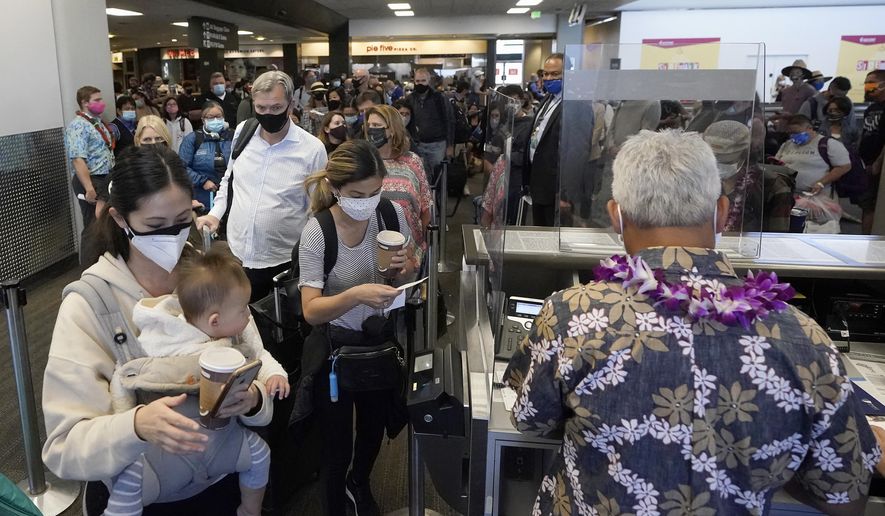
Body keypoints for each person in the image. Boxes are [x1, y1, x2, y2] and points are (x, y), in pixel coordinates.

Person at [504, 129, 880, 516]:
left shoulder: (574, 314)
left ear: (616, 216)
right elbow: (845, 496)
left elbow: (530, 420)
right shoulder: (803, 336)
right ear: (720, 212)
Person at [43, 146, 274, 515]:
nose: (171, 235)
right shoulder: (89, 305)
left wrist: (254, 399)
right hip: (143, 496)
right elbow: (64, 448)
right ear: (120, 219)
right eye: (154, 225)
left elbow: (256, 360)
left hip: (222, 478)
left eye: (183, 219)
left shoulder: (210, 278)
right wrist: (135, 426)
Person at [104, 243, 289, 516]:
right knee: (128, 479)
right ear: (215, 321)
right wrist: (127, 418)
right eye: (242, 311)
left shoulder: (235, 334)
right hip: (161, 452)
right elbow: (124, 374)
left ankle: (250, 510)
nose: (248, 315)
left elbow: (258, 355)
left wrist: (273, 376)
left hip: (219, 442)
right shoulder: (161, 340)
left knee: (260, 454)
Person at [298, 140, 415, 516]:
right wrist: (356, 295)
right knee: (336, 446)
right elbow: (312, 311)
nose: (367, 201)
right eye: (357, 194)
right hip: (335, 349)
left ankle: (359, 484)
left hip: (378, 342)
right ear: (335, 188)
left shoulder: (389, 214)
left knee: (372, 430)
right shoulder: (318, 232)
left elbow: (407, 265)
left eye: (375, 191)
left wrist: (404, 268)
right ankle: (334, 502)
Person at [197, 71, 328, 303]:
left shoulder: (312, 149)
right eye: (262, 108)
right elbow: (230, 179)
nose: (268, 114)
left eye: (276, 108)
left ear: (290, 104)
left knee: (281, 330)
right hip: (237, 252)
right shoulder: (243, 132)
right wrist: (215, 214)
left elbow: (316, 210)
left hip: (282, 260)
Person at [366, 104, 431, 264]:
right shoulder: (363, 161)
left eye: (377, 126)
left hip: (409, 246)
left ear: (392, 130)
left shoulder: (412, 161)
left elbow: (425, 205)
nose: (371, 130)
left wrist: (421, 244)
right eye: (369, 126)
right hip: (370, 247)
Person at [65, 85, 115, 260]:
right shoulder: (78, 126)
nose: (102, 103)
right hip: (91, 179)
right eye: (97, 100)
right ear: (85, 103)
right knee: (93, 225)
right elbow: (78, 159)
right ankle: (88, 267)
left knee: (104, 223)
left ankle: (103, 261)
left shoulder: (96, 122)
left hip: (104, 177)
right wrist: (89, 188)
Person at [526, 53, 565, 226]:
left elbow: (578, 152)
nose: (549, 78)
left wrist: (566, 194)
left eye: (555, 74)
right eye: (546, 74)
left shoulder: (575, 106)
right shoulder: (548, 99)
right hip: (538, 182)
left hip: (556, 189)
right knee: (539, 233)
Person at [776, 114, 851, 195]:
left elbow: (844, 167)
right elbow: (776, 163)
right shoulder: (786, 145)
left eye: (796, 132)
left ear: (810, 128)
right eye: (790, 133)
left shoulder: (829, 144)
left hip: (818, 196)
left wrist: (821, 183)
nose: (793, 136)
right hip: (789, 194)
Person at [179, 101, 233, 211]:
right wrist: (202, 181)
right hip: (204, 196)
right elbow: (181, 167)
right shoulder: (193, 139)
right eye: (211, 117)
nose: (215, 120)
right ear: (203, 120)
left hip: (231, 194)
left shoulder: (233, 136)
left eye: (218, 117)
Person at [407, 68, 454, 178]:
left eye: (423, 81)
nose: (420, 84)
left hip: (437, 145)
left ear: (429, 81)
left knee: (438, 176)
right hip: (417, 145)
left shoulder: (440, 98)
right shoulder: (410, 99)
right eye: (417, 81)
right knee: (419, 176)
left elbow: (449, 121)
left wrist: (450, 145)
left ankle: (437, 195)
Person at [859, 70, 885, 234]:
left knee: (876, 205)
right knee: (866, 204)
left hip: (879, 166)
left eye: (871, 82)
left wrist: (878, 162)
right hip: (866, 163)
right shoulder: (872, 109)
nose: (867, 86)